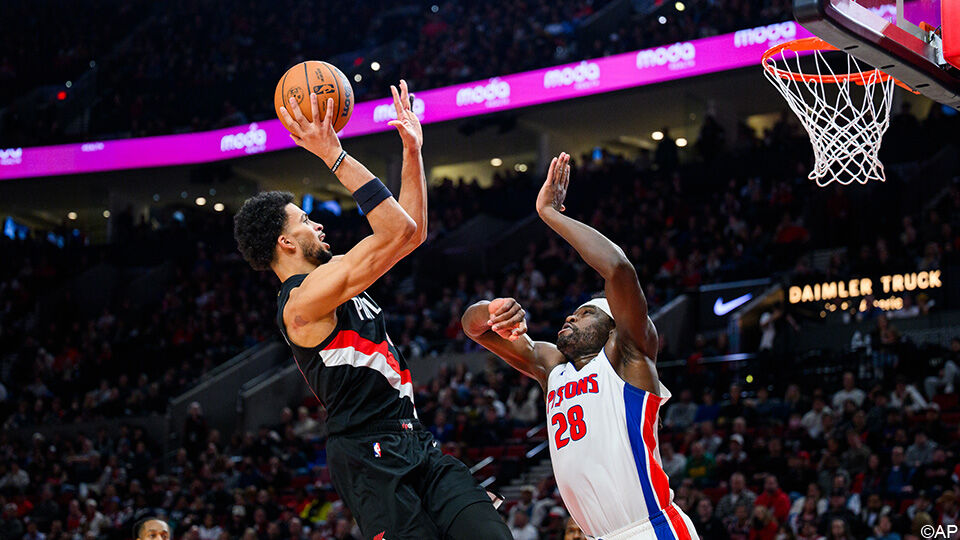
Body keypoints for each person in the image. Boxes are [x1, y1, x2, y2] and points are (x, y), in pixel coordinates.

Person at [233, 82, 509, 540]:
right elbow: (395, 229)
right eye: (305, 220)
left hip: (414, 437)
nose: (318, 224)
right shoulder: (302, 303)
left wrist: (412, 151)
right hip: (367, 451)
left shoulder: (339, 271)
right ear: (285, 243)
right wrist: (333, 154)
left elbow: (411, 234)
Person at [462, 153, 698, 539]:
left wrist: (550, 215)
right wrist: (491, 310)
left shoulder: (627, 355)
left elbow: (618, 269)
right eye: (572, 313)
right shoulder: (552, 367)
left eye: (585, 313)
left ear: (612, 327)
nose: (570, 318)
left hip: (650, 528)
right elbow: (473, 329)